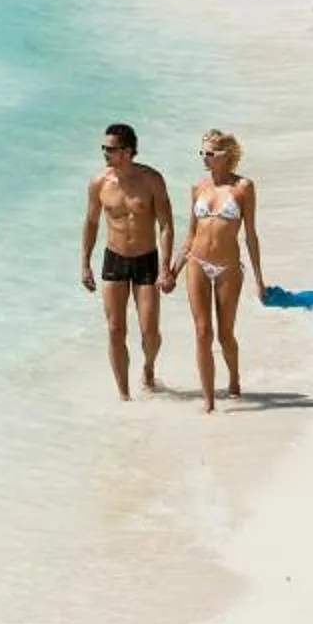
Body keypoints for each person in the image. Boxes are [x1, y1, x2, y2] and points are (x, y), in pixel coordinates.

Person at [80, 123, 176, 401]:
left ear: (128, 151)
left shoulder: (151, 180)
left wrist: (166, 267)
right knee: (114, 329)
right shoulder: (99, 183)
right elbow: (91, 222)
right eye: (104, 148)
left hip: (147, 258)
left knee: (149, 330)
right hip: (114, 258)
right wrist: (85, 262)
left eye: (110, 149)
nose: (105, 153)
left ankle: (148, 367)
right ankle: (124, 397)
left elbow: (166, 225)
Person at [179, 128, 267, 412]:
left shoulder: (243, 188)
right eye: (202, 152)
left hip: (228, 267)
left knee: (225, 333)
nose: (205, 158)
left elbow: (250, 234)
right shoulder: (198, 188)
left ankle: (234, 379)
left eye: (211, 153)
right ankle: (208, 402)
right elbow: (190, 235)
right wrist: (171, 270)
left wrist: (259, 279)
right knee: (202, 332)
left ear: (227, 155)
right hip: (197, 263)